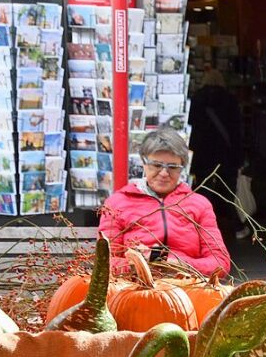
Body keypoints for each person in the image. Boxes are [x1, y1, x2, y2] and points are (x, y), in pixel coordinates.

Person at [99, 125, 231, 277]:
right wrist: (139, 264)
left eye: (173, 167)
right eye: (156, 165)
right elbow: (104, 262)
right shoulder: (117, 203)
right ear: (144, 163)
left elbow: (220, 263)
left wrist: (177, 263)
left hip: (188, 289)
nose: (163, 173)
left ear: (182, 168)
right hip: (132, 289)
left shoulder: (199, 205)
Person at [188, 69, 246, 239]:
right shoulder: (230, 100)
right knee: (228, 193)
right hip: (225, 154)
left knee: (203, 191)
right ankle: (237, 227)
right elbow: (236, 131)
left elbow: (193, 127)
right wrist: (239, 156)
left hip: (203, 153)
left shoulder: (197, 99)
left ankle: (201, 229)